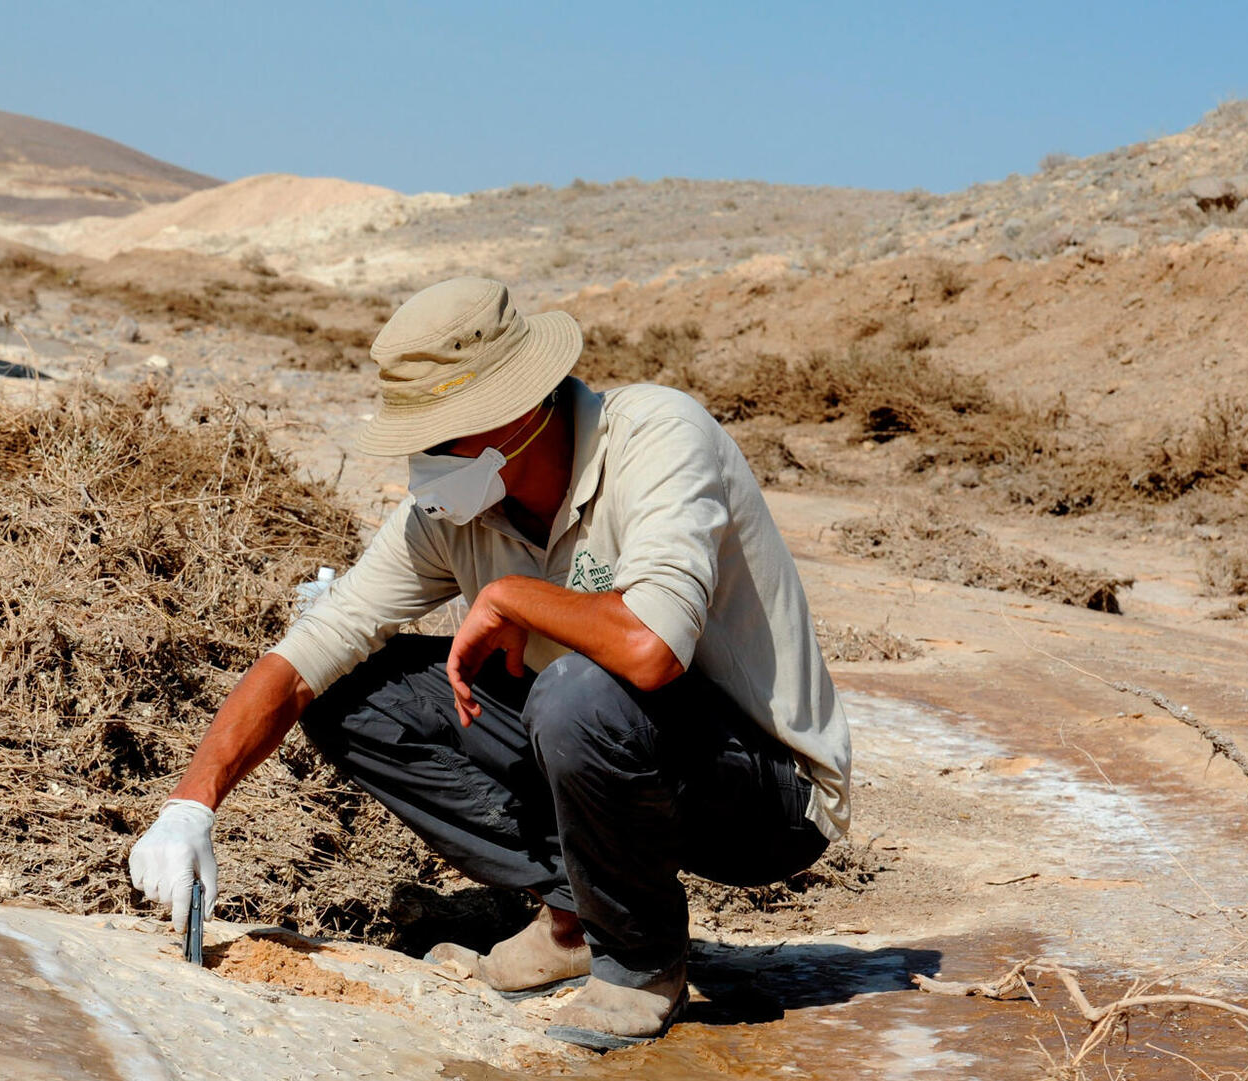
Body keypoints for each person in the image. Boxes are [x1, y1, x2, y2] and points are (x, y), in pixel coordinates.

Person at [129, 277, 851, 1049]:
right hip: (601, 748)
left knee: (578, 689)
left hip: (763, 795)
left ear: (514, 415)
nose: (424, 464)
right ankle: (578, 916)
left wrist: (514, 597)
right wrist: (191, 805)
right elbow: (310, 650)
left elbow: (651, 649)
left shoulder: (656, 436)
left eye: (441, 438)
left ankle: (641, 962)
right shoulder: (458, 509)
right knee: (348, 694)